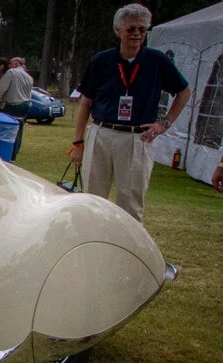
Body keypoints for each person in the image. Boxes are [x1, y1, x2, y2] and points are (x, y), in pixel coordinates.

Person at [69, 3, 190, 223]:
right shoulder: (102, 61)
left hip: (137, 138)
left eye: (142, 29)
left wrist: (164, 123)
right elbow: (86, 103)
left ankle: (129, 254)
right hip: (102, 133)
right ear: (118, 30)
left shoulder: (157, 61)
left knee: (130, 204)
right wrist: (78, 144)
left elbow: (184, 92)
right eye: (131, 29)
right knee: (92, 200)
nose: (136, 34)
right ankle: (93, 248)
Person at [0, 56, 33, 161]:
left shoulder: (11, 73)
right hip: (26, 104)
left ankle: (6, 151)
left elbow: (1, 89)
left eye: (11, 64)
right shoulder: (29, 77)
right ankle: (15, 152)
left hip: (13, 104)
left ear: (17, 64)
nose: (9, 66)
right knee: (19, 129)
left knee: (7, 128)